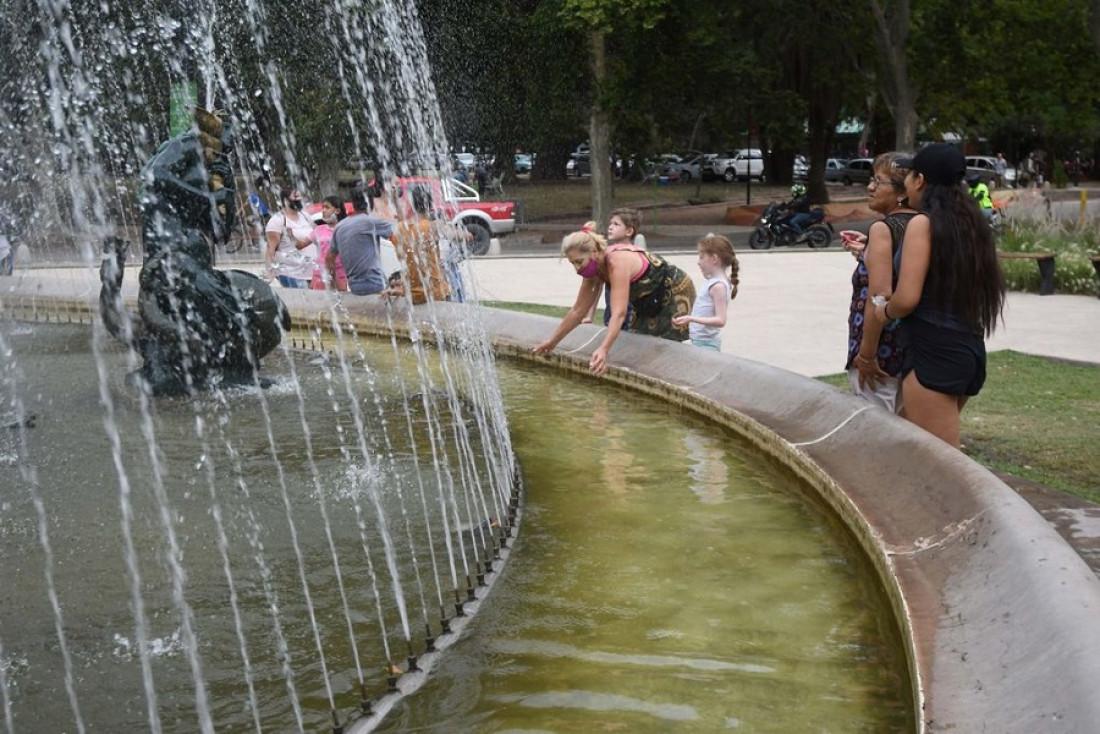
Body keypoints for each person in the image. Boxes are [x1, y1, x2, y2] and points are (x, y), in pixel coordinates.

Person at [870, 143, 1005, 447]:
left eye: (909, 175)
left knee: (944, 466)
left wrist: (885, 311)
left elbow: (907, 298)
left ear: (919, 181)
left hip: (933, 354)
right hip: (966, 348)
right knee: (906, 448)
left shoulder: (923, 223)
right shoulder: (971, 224)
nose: (905, 182)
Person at [532, 219, 696, 376]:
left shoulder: (616, 263)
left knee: (665, 345)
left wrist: (604, 349)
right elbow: (578, 311)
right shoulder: (592, 269)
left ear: (594, 253)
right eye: (572, 263)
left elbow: (619, 313)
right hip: (646, 298)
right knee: (639, 340)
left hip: (674, 289)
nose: (576, 269)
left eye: (578, 261)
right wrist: (553, 341)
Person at [839, 152, 918, 413]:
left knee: (874, 433)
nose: (870, 187)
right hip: (910, 352)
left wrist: (867, 354)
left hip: (880, 355)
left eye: (878, 181)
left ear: (902, 193)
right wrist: (868, 252)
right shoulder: (920, 226)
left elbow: (881, 296)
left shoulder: (883, 229)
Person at [383, 186, 450, 304]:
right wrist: (467, 234)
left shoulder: (400, 229)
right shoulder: (432, 227)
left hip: (413, 295)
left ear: (412, 206)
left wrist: (395, 201)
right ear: (430, 206)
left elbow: (401, 221)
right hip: (436, 293)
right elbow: (454, 234)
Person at [672, 233, 738, 351]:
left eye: (702, 257)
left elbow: (720, 320)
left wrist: (691, 319)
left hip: (706, 344)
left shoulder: (718, 286)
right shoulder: (717, 281)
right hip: (700, 341)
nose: (698, 262)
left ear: (714, 259)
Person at [328, 182, 395, 296]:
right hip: (375, 284)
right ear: (371, 202)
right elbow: (401, 233)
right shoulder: (371, 222)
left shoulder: (340, 226)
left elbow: (329, 257)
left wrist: (335, 282)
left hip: (354, 286)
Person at [265, 187, 317, 288]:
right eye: (296, 196)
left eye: (300, 196)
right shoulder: (278, 220)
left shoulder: (305, 217)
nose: (299, 199)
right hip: (289, 273)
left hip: (310, 272)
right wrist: (269, 272)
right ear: (285, 200)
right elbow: (270, 249)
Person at [309, 196, 348, 291]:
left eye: (327, 207)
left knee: (341, 301)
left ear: (337, 211)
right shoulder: (319, 229)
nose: (323, 210)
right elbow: (300, 244)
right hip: (320, 275)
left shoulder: (345, 230)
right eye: (322, 207)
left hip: (339, 274)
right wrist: (290, 235)